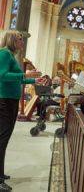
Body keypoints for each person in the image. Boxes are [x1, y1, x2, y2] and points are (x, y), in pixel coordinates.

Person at [0, 30, 42, 191]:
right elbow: (2, 75)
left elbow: (16, 77)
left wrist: (34, 79)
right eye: (19, 39)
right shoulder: (4, 54)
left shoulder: (10, 55)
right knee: (2, 139)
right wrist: (26, 73)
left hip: (10, 100)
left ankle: (1, 174)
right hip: (4, 101)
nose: (22, 42)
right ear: (11, 40)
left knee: (4, 139)